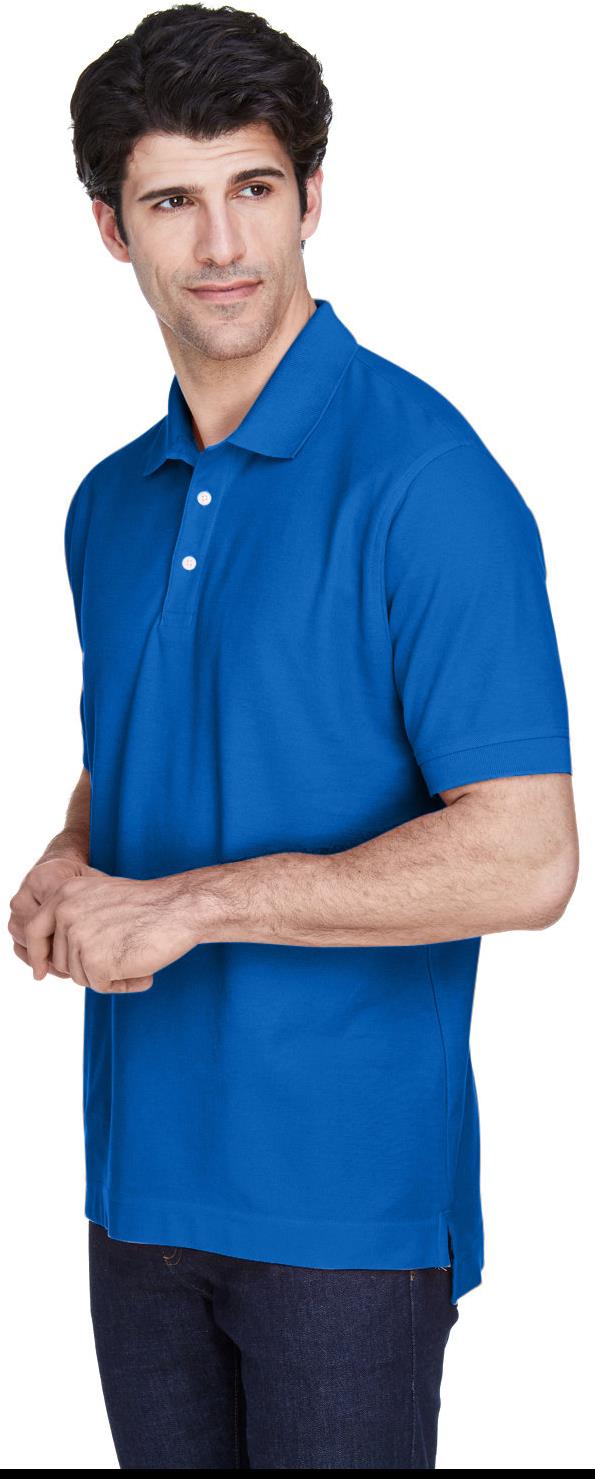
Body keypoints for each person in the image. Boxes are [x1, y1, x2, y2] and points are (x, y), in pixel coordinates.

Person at [8, 3, 579, 1469]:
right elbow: (150, 740)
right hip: (135, 1189)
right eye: (171, 202)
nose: (221, 245)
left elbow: (527, 858)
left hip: (344, 1208)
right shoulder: (109, 503)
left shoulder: (428, 481)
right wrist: (71, 854)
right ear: (110, 229)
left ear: (311, 197)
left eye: (253, 188)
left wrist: (190, 907)